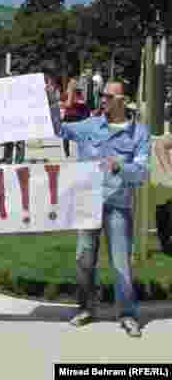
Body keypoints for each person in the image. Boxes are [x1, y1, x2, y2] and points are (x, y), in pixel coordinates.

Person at [53, 78, 147, 337]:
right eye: (102, 95)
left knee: (121, 263)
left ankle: (127, 315)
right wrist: (51, 101)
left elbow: (140, 173)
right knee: (83, 260)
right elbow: (58, 129)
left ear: (121, 100)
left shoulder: (139, 132)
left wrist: (120, 167)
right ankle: (85, 308)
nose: (101, 99)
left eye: (107, 95)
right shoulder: (90, 125)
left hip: (118, 206)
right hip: (87, 204)